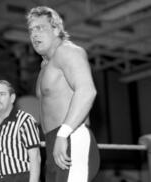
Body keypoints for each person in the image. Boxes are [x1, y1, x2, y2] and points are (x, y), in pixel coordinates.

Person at [26, 6, 100, 182]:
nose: (34, 35)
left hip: (71, 136)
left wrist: (63, 134)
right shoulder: (45, 66)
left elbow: (87, 91)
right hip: (54, 143)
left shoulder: (68, 51)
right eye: (31, 30)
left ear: (56, 29)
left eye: (40, 28)